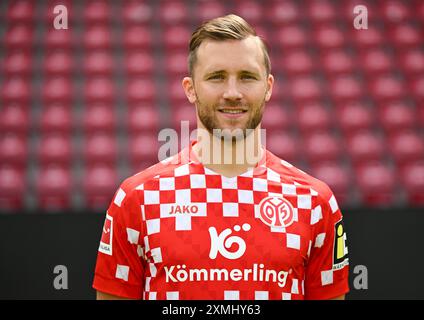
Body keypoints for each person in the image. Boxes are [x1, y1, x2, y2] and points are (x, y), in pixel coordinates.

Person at [93, 14, 349, 300]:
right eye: (216, 77)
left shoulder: (314, 201)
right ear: (191, 89)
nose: (232, 93)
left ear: (269, 87)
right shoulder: (136, 199)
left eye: (247, 77)